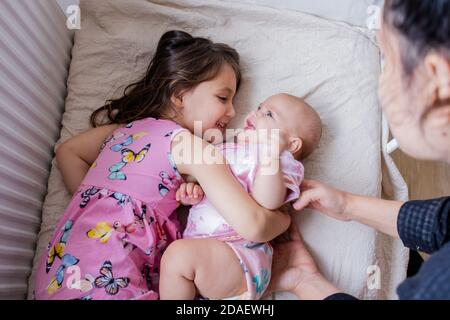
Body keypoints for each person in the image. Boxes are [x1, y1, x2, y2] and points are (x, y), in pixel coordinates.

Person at [33, 30, 291, 300]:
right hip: (110, 284)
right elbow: (254, 226)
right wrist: (283, 218)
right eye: (223, 98)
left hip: (59, 275)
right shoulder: (188, 146)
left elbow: (68, 152)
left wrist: (95, 205)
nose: (233, 112)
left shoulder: (122, 131)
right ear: (179, 95)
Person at [267, 0, 450, 300]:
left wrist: (306, 283)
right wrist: (348, 205)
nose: (381, 86)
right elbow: (445, 223)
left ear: (436, 79)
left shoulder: (439, 285)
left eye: (389, 61)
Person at [159, 94, 322, 300]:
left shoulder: (282, 163)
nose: (256, 114)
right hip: (205, 249)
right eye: (259, 107)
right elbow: (210, 183)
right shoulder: (227, 149)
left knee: (177, 257)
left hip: (241, 254)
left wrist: (271, 155)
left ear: (292, 144)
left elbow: (268, 201)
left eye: (269, 114)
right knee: (174, 261)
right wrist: (194, 191)